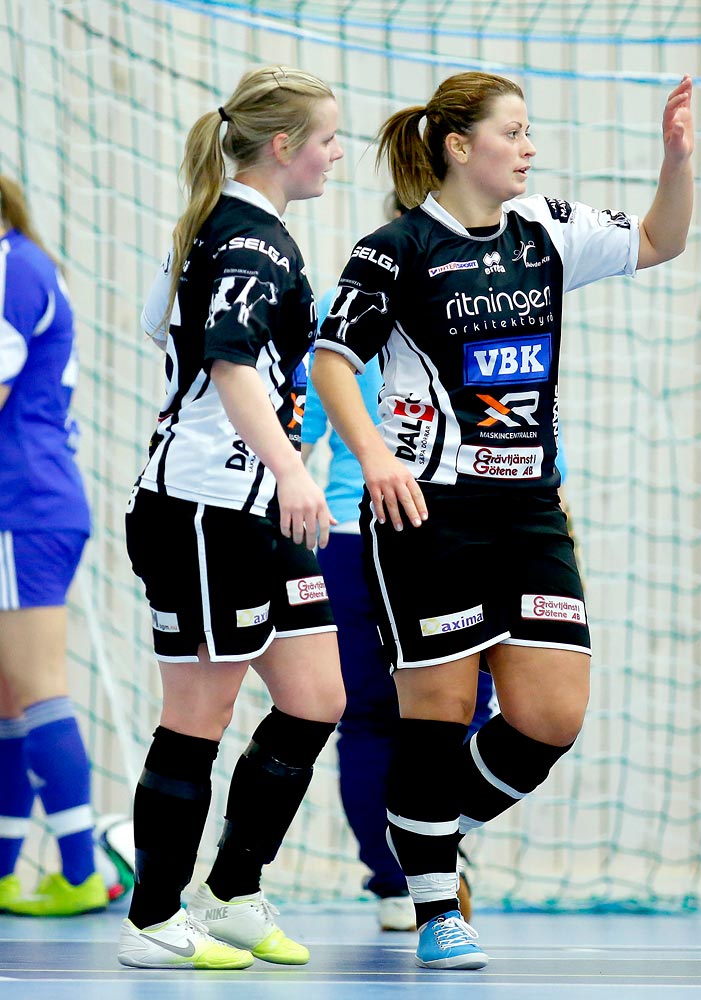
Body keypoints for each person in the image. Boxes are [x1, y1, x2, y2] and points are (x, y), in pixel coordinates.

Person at [311, 70, 693, 969]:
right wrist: (373, 456)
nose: (528, 149)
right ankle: (439, 906)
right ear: (458, 146)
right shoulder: (393, 249)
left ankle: (431, 829)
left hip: (529, 507)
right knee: (435, 714)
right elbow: (333, 361)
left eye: (528, 134)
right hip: (426, 508)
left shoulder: (548, 232)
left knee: (550, 716)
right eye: (512, 133)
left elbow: (657, 240)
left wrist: (676, 162)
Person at [118, 64, 346, 971]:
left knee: (316, 696)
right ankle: (152, 918)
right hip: (203, 510)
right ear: (283, 146)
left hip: (252, 512)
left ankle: (232, 893)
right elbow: (225, 361)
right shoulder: (247, 241)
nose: (336, 154)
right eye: (326, 139)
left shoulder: (244, 234)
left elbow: (162, 326)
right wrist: (290, 467)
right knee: (199, 711)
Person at [302, 191, 495, 930]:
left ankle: (417, 860)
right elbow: (307, 416)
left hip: (459, 525)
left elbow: (527, 419)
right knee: (383, 716)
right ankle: (399, 877)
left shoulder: (495, 296)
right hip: (366, 532)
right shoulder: (349, 303)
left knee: (447, 712)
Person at [0, 175, 104, 917]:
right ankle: (9, 868)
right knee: (10, 695)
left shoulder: (11, 265)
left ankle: (79, 870)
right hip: (33, 502)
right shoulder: (25, 261)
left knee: (36, 685)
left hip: (21, 505)